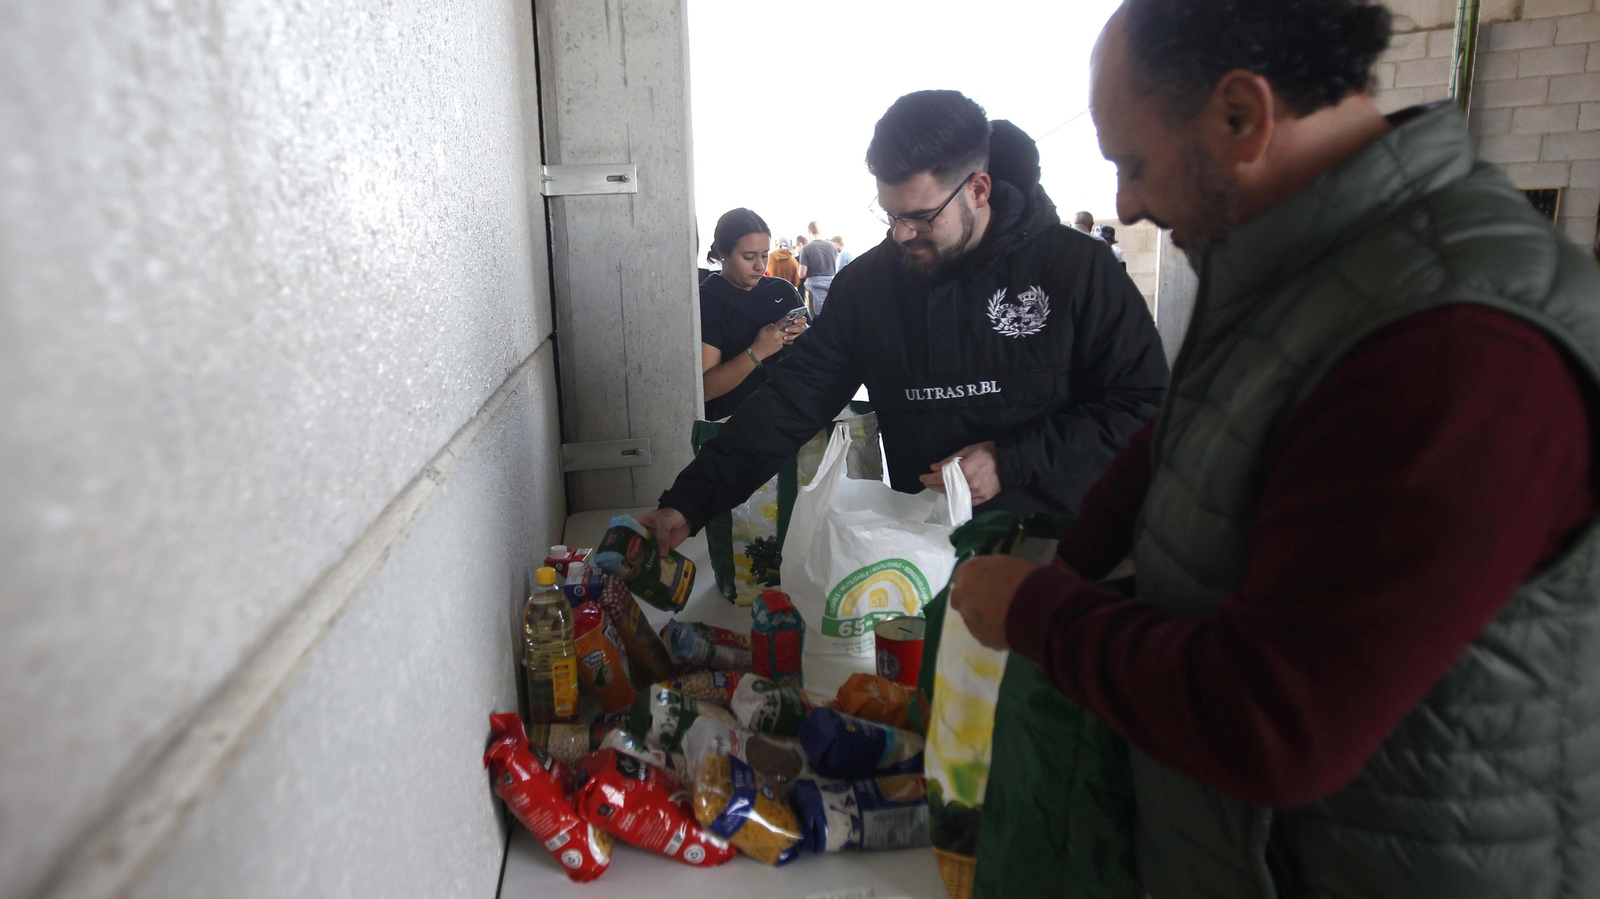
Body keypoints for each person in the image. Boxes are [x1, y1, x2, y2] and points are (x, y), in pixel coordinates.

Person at [948, 2, 1600, 898]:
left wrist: (1039, 614)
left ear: (1240, 116)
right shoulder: (1301, 269)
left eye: (1132, 165)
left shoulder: (1455, 341)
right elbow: (1183, 431)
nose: (1127, 203)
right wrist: (1072, 555)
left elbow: (1277, 719)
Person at [645, 87, 1166, 559]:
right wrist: (689, 504)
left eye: (919, 215)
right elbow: (788, 403)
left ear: (978, 190)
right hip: (928, 554)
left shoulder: (1077, 268)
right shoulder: (870, 287)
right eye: (890, 214)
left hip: (1070, 549)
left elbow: (1143, 407)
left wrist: (1012, 460)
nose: (901, 234)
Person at [698, 208, 808, 421]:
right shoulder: (708, 301)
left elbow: (813, 355)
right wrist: (756, 352)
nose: (759, 265)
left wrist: (803, 335)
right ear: (723, 252)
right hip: (735, 425)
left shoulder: (782, 290)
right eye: (748, 257)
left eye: (765, 255)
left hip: (791, 417)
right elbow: (705, 388)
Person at [797, 220, 839, 314]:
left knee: (815, 318)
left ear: (810, 232)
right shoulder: (833, 246)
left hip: (813, 288)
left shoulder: (806, 248)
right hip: (831, 284)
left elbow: (802, 274)